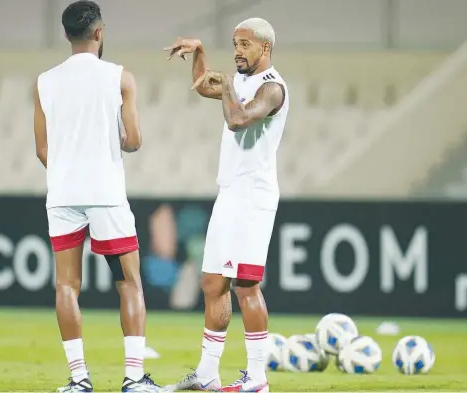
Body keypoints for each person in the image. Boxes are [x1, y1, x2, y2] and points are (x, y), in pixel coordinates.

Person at [33, 1, 160, 392]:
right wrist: (117, 141)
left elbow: (42, 149)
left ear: (67, 34)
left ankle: (78, 380)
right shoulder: (120, 77)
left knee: (67, 285)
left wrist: (68, 171)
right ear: (100, 32)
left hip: (64, 195)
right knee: (129, 284)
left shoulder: (45, 81)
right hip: (105, 194)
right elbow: (134, 140)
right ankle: (134, 379)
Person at [163, 17, 289, 393]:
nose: (237, 50)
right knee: (212, 283)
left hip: (254, 196)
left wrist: (229, 85)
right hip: (230, 192)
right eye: (235, 43)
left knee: (246, 286)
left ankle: (257, 378)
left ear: (264, 48)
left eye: (245, 44)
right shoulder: (243, 82)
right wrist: (200, 52)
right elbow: (205, 87)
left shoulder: (273, 88)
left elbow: (237, 119)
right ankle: (207, 374)